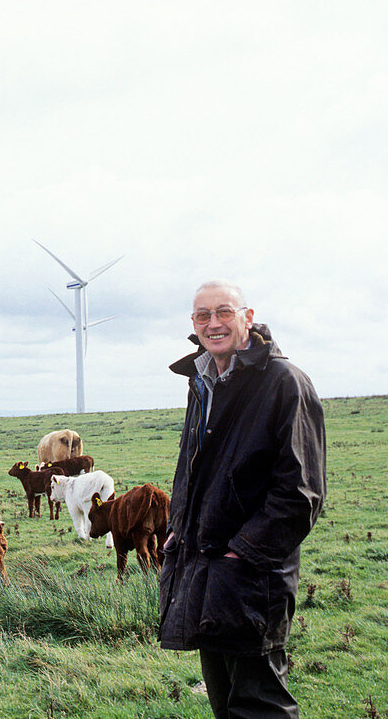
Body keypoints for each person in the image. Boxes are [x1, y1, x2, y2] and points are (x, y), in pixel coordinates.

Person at [158, 280, 326, 718]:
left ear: (247, 317)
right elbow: (191, 472)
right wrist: (178, 530)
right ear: (193, 324)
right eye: (202, 316)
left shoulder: (284, 383)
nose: (212, 324)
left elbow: (301, 493)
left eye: (224, 312)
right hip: (203, 569)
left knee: (260, 704)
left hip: (252, 577)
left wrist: (240, 555)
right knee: (225, 701)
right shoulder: (203, 381)